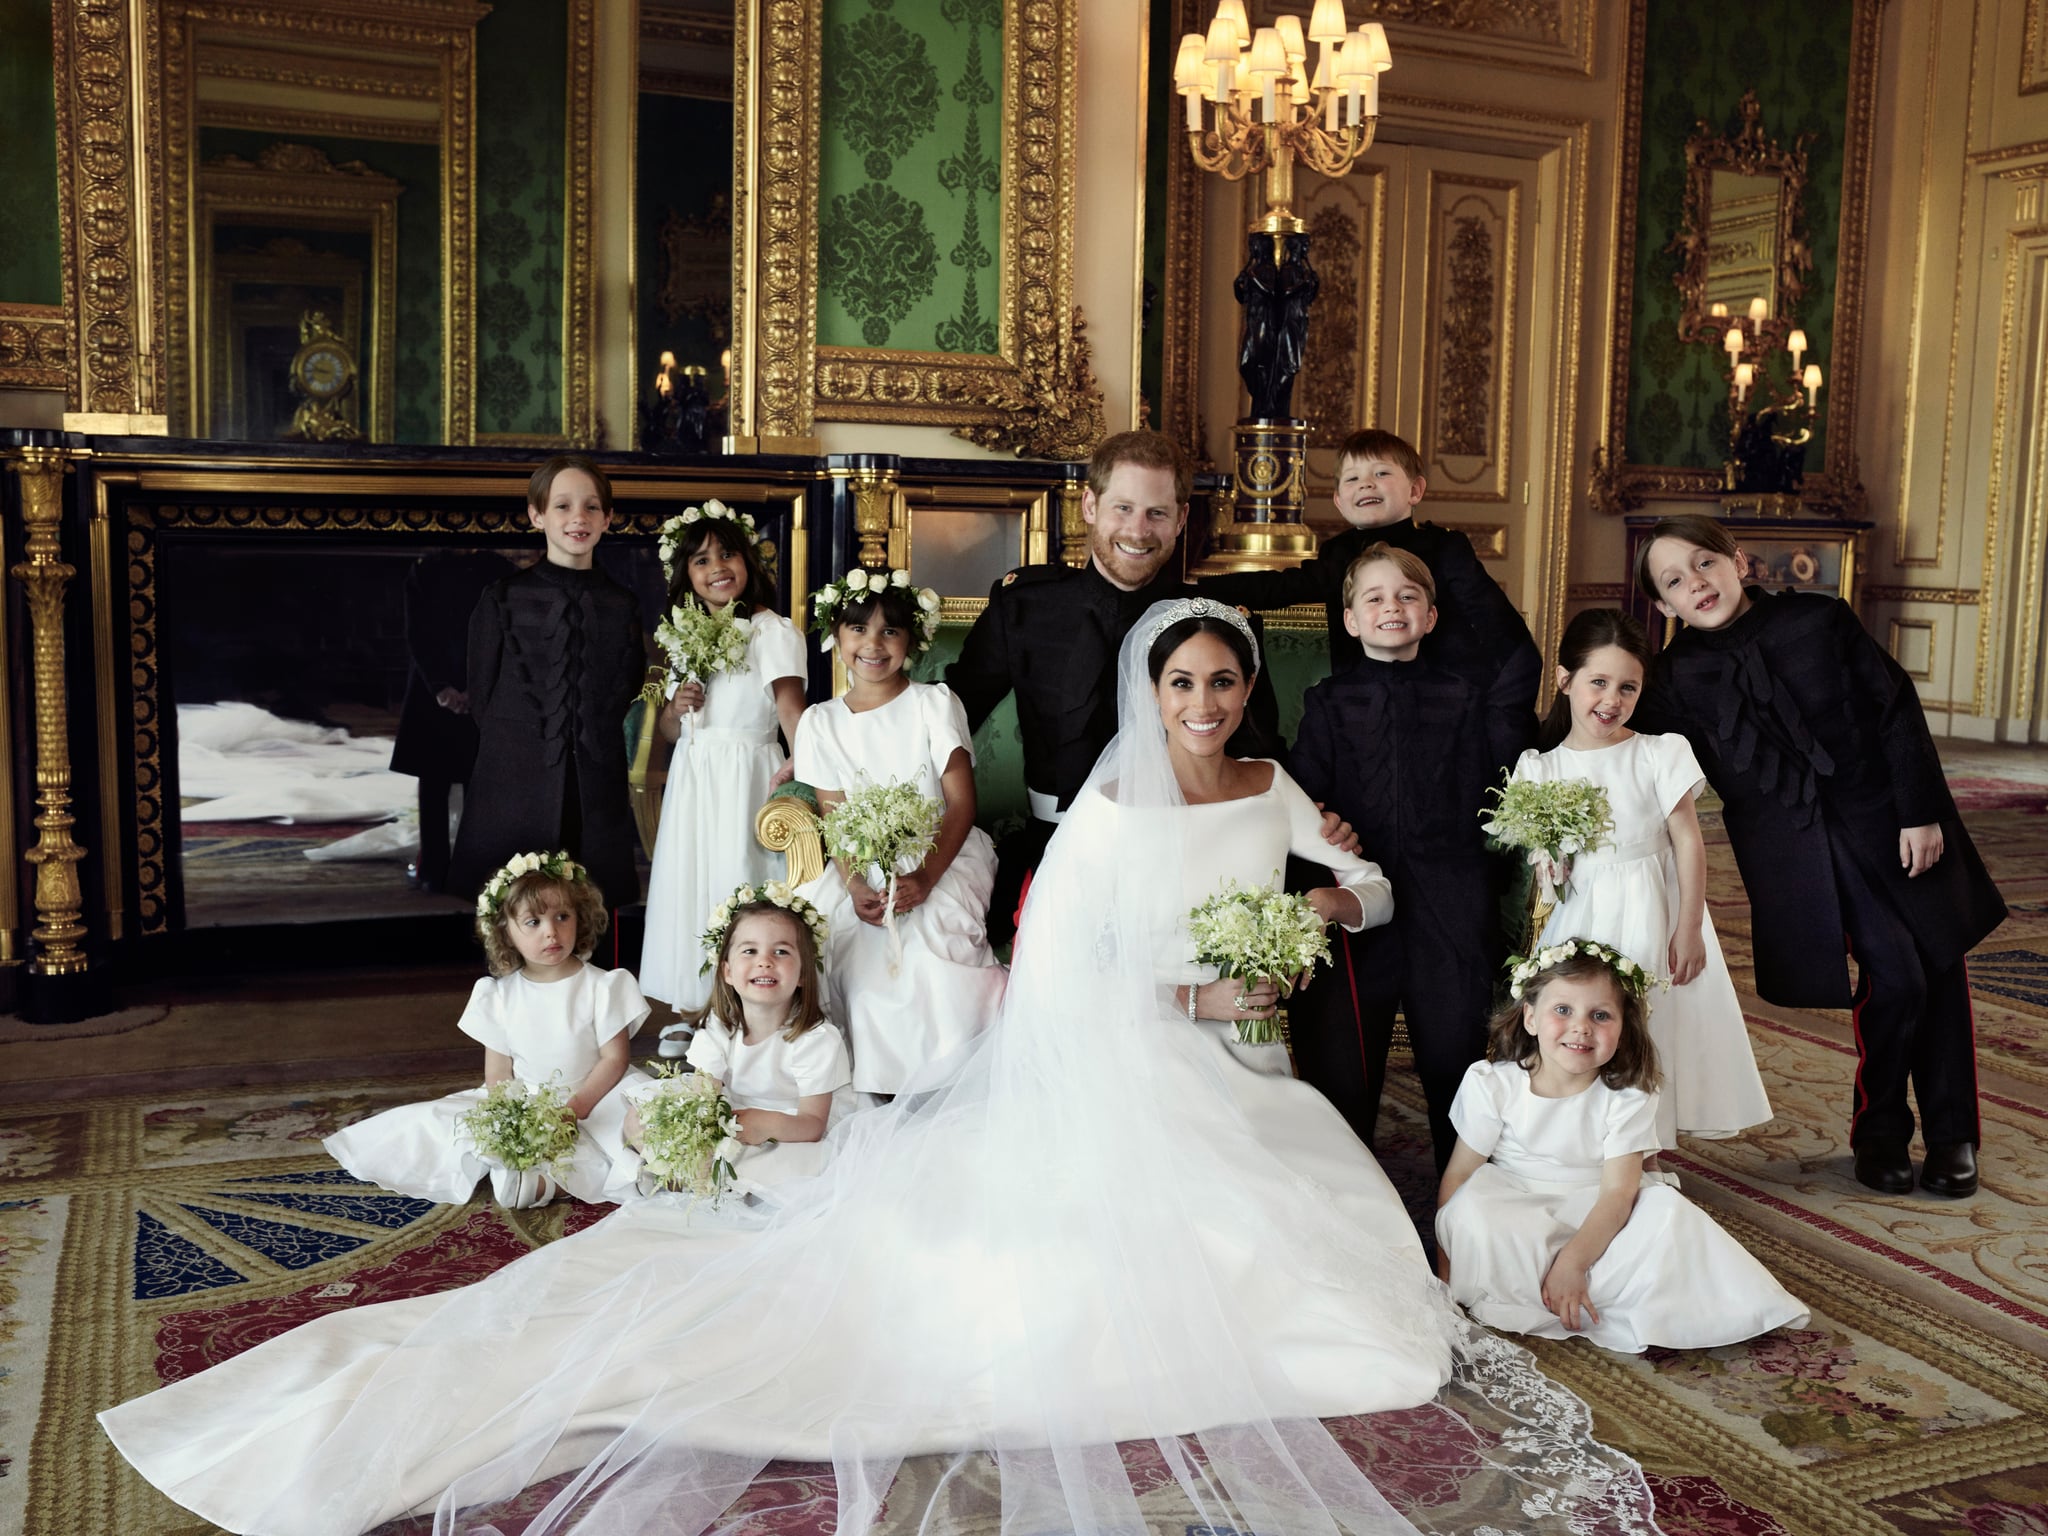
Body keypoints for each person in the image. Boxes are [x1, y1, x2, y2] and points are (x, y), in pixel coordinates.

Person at [98, 598, 1658, 1536]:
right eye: (1183, 687)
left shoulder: (1271, 779)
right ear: (1151, 697)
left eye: (1224, 686)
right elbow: (1072, 969)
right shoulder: (1112, 814)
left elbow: (1365, 880)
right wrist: (1193, 992)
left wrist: (1319, 907)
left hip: (1246, 1058)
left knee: (1348, 1266)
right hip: (1139, 1060)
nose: (1205, 706)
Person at [1632, 515, 2007, 1198]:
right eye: (1675, 581)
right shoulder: (1676, 677)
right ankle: (1884, 1130)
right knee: (1899, 976)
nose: (1698, 583)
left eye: (1705, 563)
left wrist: (1920, 810)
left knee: (1939, 964)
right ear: (1664, 606)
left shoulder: (1819, 620)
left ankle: (1954, 1138)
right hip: (1797, 853)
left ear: (1738, 561)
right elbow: (1627, 742)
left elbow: (1894, 707)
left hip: (1891, 819)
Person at [947, 429, 1289, 939]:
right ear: (1089, 505)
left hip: (1186, 852)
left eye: (1156, 512)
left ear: (1181, 519)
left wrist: (1315, 809)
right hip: (1056, 844)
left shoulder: (1216, 622)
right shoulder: (1024, 606)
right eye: (1123, 508)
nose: (1139, 530)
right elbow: (951, 712)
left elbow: (1259, 748)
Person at [1435, 940, 1808, 1354]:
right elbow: (1460, 1176)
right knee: (1473, 1210)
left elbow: (1618, 1193)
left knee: (1668, 1212)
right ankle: (1539, 1290)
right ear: (1530, 1017)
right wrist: (1446, 1271)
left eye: (1600, 1015)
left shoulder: (1628, 1096)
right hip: (1516, 1204)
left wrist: (1574, 1262)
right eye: (1563, 1010)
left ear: (1623, 1028)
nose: (1581, 1026)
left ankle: (1578, 1286)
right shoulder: (1492, 1083)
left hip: (1599, 1208)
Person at [1510, 608, 1770, 1153]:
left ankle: (1645, 1150)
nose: (1611, 700)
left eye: (1627, 687)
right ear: (1565, 680)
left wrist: (1689, 927)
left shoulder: (1657, 752)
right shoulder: (1540, 767)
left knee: (1652, 1022)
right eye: (1598, 682)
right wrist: (1549, 863)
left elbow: (1688, 842)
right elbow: (1542, 860)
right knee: (1587, 1021)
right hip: (1581, 916)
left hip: (1654, 906)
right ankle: (1589, 1142)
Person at [1288, 545, 1502, 1169]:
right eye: (1374, 598)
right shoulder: (1328, 701)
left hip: (1449, 896)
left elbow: (1484, 794)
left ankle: (1460, 1197)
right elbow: (1305, 793)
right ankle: (1348, 1188)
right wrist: (1324, 818)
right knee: (1345, 1063)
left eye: (1408, 596)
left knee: (1455, 1052)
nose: (1392, 607)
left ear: (1431, 617)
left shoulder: (1464, 697)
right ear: (1350, 619)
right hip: (1361, 896)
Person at [324, 851, 649, 1208]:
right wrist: (517, 1119)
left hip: (596, 1096)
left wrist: (575, 1108)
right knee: (444, 1126)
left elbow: (614, 1059)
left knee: (633, 1130)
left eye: (562, 917)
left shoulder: (604, 987)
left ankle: (556, 1181)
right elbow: (498, 1073)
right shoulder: (498, 995)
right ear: (505, 931)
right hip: (530, 1101)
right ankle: (531, 1174)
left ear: (580, 918)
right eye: (533, 922)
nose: (551, 931)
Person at [1203, 427, 1540, 769]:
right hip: (1367, 713)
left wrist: (1497, 717)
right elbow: (1281, 587)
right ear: (1338, 500)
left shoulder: (1444, 548)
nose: (1366, 483)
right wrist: (1197, 589)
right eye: (1352, 478)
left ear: (1415, 490)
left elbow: (1504, 634)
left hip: (1448, 713)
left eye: (1381, 473)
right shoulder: (1339, 554)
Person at [794, 566, 1006, 1094]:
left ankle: (953, 1079)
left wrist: (928, 877)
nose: (873, 643)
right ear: (836, 637)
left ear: (911, 639)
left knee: (934, 962)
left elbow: (960, 804)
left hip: (941, 854)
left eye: (890, 630)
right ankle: (876, 1084)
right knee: (857, 964)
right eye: (858, 629)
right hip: (862, 864)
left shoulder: (934, 704)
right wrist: (854, 884)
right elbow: (836, 819)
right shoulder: (819, 722)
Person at [446, 455, 647, 908]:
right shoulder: (502, 599)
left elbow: (626, 689)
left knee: (591, 907)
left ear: (608, 518)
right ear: (537, 515)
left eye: (592, 507)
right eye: (563, 506)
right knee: (515, 911)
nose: (579, 517)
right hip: (514, 781)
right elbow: (482, 695)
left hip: (595, 785)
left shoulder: (622, 605)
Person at [638, 501, 808, 1028]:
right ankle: (693, 1005)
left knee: (739, 876)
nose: (717, 568)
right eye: (702, 561)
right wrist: (676, 706)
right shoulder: (684, 638)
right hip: (696, 777)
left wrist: (802, 771)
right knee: (693, 881)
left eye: (728, 555)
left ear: (749, 564)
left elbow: (790, 710)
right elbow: (671, 731)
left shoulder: (769, 631)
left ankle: (745, 1009)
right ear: (685, 576)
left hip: (746, 774)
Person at [624, 885, 853, 1198]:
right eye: (750, 951)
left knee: (782, 1168)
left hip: (790, 1128)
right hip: (734, 1116)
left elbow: (813, 1124)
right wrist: (694, 1127)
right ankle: (683, 1167)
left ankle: (702, 1178)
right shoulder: (720, 1028)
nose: (765, 962)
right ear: (728, 972)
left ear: (802, 974)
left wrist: (766, 1124)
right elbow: (705, 1092)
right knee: (639, 1117)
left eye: (781, 951)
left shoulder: (815, 1039)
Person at [388, 549, 510, 892]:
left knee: (453, 785)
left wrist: (447, 686)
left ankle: (439, 871)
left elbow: (418, 634)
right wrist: (461, 686)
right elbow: (420, 632)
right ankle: (465, 870)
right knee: (455, 784)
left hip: (452, 687)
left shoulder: (432, 566)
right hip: (459, 687)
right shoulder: (495, 567)